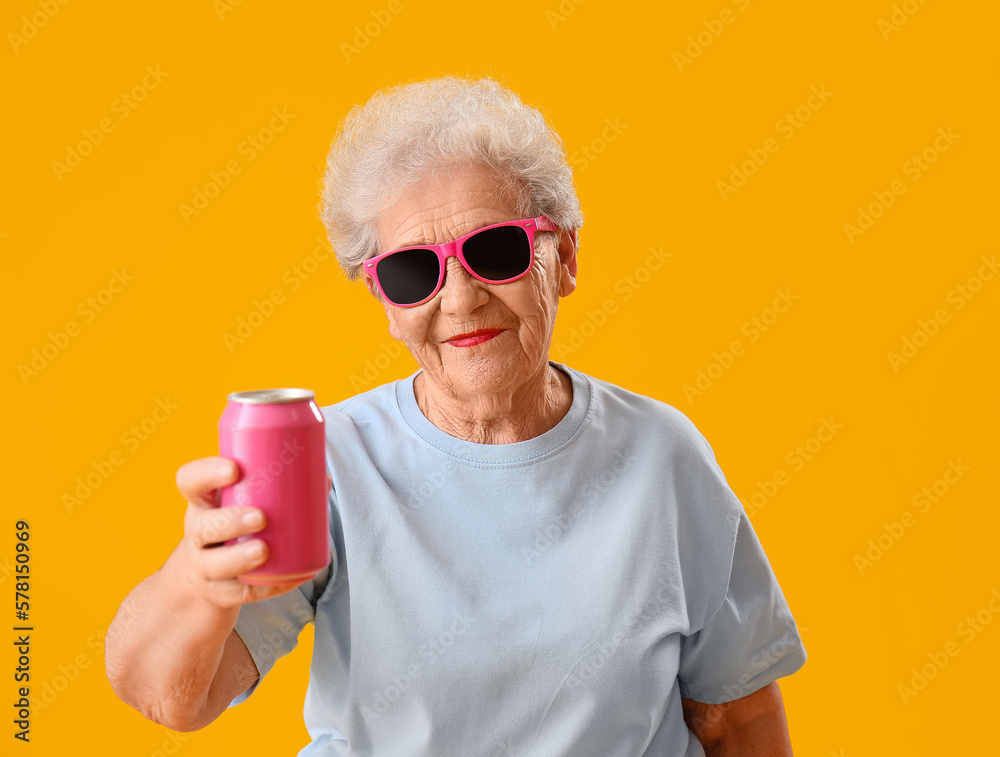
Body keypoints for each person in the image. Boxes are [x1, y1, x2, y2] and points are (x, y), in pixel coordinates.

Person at [106, 75, 807, 756]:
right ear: (385, 302)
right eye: (415, 270)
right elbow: (170, 698)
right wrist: (200, 585)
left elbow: (734, 718)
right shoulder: (330, 463)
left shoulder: (663, 455)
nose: (462, 297)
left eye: (494, 250)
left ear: (562, 257)